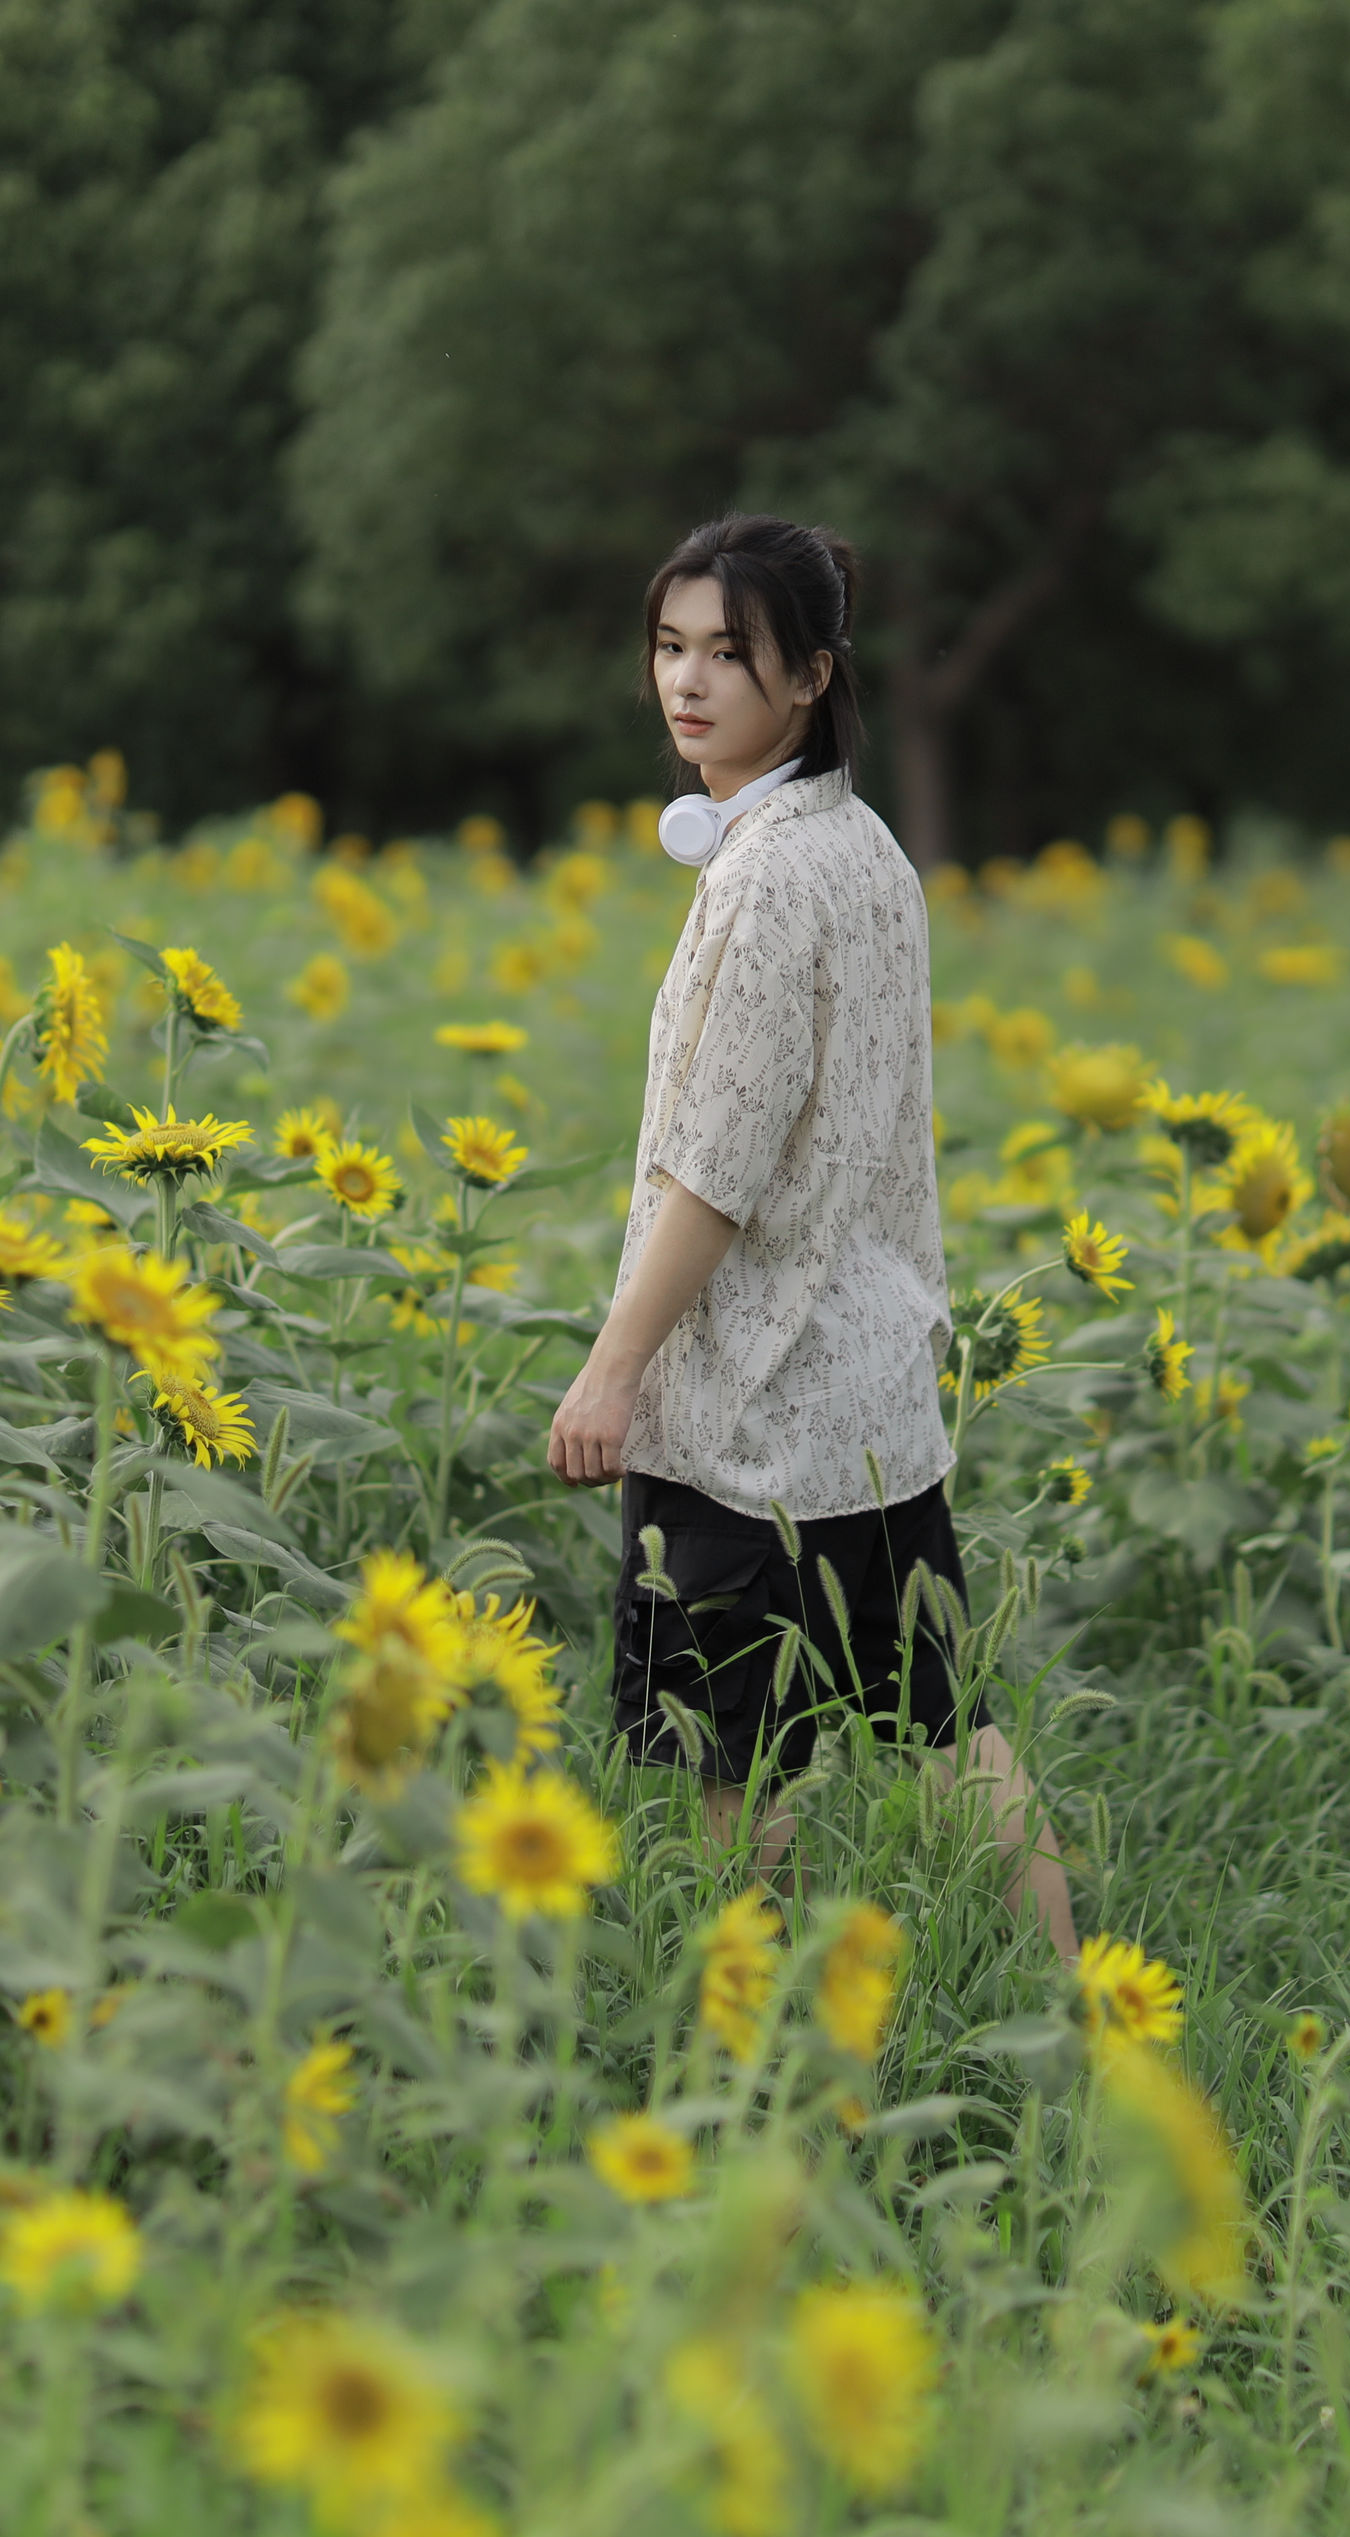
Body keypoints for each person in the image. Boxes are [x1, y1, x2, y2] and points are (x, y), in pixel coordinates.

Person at [546, 512, 1079, 1960]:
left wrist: (612, 1368)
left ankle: (742, 2057)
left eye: (732, 654)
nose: (689, 682)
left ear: (811, 678)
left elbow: (712, 1172)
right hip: (867, 1398)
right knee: (945, 1730)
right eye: (671, 646)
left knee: (736, 1774)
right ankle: (1084, 2014)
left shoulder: (767, 879)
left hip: (754, 1399)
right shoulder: (861, 847)